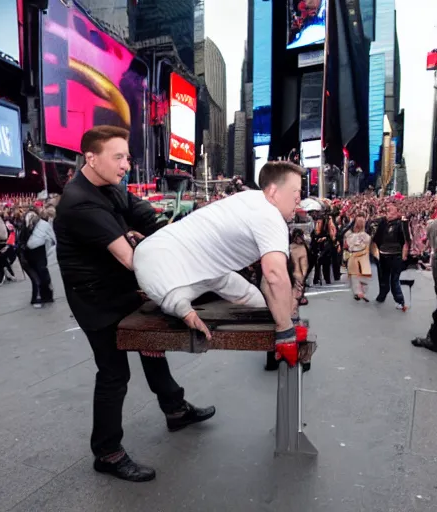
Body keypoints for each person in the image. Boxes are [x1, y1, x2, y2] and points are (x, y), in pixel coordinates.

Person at [54, 125, 215, 483]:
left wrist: (175, 230)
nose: (126, 164)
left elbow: (143, 214)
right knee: (114, 375)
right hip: (97, 302)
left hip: (122, 291)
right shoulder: (79, 200)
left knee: (152, 346)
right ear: (90, 158)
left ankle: (175, 409)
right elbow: (132, 259)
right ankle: (108, 453)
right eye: (119, 157)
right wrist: (165, 254)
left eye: (127, 156)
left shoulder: (110, 187)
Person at [133, 161, 303, 348]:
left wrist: (284, 317)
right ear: (273, 192)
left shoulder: (251, 199)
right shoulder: (270, 216)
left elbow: (270, 280)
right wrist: (286, 330)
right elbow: (274, 275)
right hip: (159, 261)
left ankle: (181, 304)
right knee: (234, 292)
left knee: (248, 296)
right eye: (295, 192)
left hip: (195, 267)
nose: (298, 199)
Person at [372, 204, 410, 311]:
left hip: (395, 255)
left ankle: (400, 301)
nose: (389, 212)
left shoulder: (401, 223)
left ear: (398, 212)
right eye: (388, 211)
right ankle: (382, 295)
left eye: (392, 211)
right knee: (383, 278)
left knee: (394, 280)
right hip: (383, 254)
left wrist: (404, 254)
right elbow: (374, 231)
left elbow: (407, 240)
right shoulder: (383, 223)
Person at [18, 210, 56, 308]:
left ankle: (44, 295)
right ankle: (40, 296)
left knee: (42, 273)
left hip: (39, 251)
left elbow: (52, 238)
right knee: (36, 276)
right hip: (29, 253)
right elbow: (21, 239)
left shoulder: (42, 224)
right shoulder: (24, 226)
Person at [344, 214, 371, 302]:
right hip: (363, 256)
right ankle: (363, 291)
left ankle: (357, 292)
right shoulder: (366, 235)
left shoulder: (348, 234)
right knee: (363, 275)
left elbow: (346, 245)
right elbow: (368, 243)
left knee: (354, 275)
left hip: (353, 255)